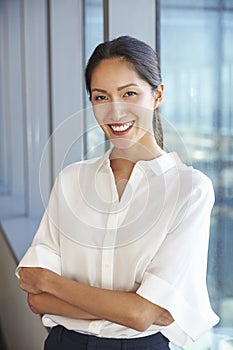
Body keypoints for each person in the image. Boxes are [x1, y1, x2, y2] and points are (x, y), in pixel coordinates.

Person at [16, 35, 219, 350]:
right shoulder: (71, 180)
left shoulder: (190, 190)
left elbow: (141, 316)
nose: (115, 111)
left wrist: (50, 282)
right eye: (101, 97)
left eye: (129, 93)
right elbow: (35, 298)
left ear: (157, 95)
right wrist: (130, 308)